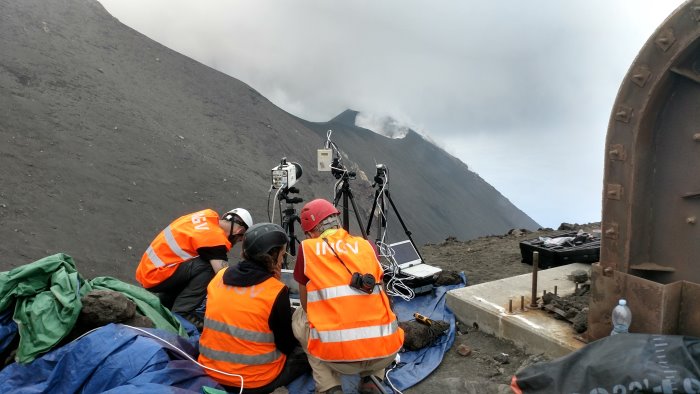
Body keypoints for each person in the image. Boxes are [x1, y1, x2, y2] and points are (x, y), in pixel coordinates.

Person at [292, 199, 404, 394]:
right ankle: (373, 379)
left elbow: (307, 303)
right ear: (337, 222)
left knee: (301, 318)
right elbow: (383, 293)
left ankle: (329, 386)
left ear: (311, 232)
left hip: (338, 360)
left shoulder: (308, 248)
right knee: (377, 306)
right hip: (386, 352)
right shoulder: (367, 246)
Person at [198, 223, 310, 393]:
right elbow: (286, 345)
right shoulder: (274, 291)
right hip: (252, 382)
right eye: (282, 253)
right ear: (272, 255)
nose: (282, 258)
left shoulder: (220, 276)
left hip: (209, 370)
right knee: (307, 352)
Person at [135, 208, 253, 325]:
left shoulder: (206, 216)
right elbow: (224, 276)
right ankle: (182, 313)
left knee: (195, 264)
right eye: (239, 239)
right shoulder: (214, 239)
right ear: (240, 230)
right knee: (208, 268)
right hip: (155, 276)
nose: (235, 243)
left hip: (149, 269)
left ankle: (167, 302)